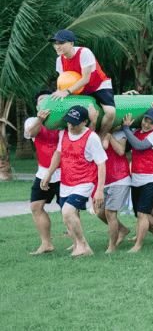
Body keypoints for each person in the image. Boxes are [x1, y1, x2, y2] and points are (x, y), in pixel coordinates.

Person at [40, 105, 106, 257]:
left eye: (74, 123)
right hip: (66, 182)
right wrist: (48, 174)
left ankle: (83, 245)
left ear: (84, 122)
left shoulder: (92, 138)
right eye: (69, 121)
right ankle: (78, 246)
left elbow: (101, 163)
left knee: (68, 211)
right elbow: (58, 154)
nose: (70, 125)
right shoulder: (64, 133)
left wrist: (100, 190)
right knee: (67, 217)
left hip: (84, 182)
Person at [49, 29, 116, 139]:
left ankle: (101, 137)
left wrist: (67, 92)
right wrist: (59, 91)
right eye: (55, 44)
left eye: (61, 43)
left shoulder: (84, 53)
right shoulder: (59, 60)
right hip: (78, 90)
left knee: (110, 112)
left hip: (98, 86)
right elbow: (62, 80)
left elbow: (85, 79)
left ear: (71, 43)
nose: (57, 46)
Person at [122, 108, 153, 251]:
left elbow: (139, 146)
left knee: (142, 213)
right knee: (140, 214)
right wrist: (124, 130)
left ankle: (138, 246)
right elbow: (127, 147)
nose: (146, 124)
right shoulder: (137, 132)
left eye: (151, 123)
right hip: (136, 178)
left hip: (151, 178)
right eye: (145, 120)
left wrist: (126, 129)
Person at [25, 89, 61, 255]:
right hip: (43, 173)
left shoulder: (62, 120)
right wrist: (40, 120)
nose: (45, 102)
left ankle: (78, 243)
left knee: (68, 210)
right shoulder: (32, 121)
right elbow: (30, 133)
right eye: (41, 100)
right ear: (37, 105)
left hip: (64, 173)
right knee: (35, 207)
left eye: (49, 99)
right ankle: (46, 244)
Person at [95, 129, 131, 253]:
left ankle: (112, 247)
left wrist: (109, 137)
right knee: (99, 212)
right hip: (103, 180)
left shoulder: (119, 133)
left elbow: (121, 151)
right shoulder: (95, 133)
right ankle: (123, 230)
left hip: (120, 178)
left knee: (110, 213)